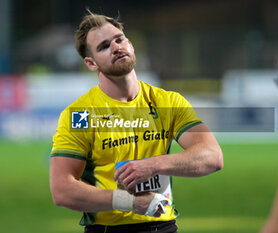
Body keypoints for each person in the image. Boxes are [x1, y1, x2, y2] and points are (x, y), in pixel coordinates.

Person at [50, 10, 223, 233]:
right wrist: (130, 202)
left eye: (119, 40)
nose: (116, 47)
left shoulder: (166, 102)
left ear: (130, 44)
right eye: (104, 46)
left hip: (164, 226)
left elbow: (213, 156)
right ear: (91, 64)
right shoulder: (80, 115)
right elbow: (61, 190)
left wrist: (153, 165)